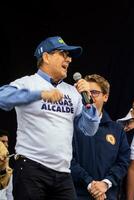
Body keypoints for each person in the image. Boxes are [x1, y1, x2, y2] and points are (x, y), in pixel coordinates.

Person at [0, 36, 100, 200]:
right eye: (63, 54)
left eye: (69, 56)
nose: (69, 59)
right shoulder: (27, 83)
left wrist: (88, 102)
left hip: (63, 173)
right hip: (31, 168)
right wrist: (40, 94)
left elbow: (89, 130)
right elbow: (2, 97)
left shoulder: (72, 91)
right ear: (46, 57)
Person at [71, 74, 131, 200]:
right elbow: (67, 158)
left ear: (105, 96)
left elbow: (123, 161)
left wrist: (105, 183)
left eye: (94, 92)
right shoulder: (72, 124)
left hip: (107, 195)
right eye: (84, 92)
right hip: (76, 194)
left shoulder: (117, 129)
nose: (89, 96)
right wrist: (89, 183)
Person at [0, 129, 13, 200]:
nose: (6, 145)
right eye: (2, 142)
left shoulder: (9, 172)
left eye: (7, 142)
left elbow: (10, 196)